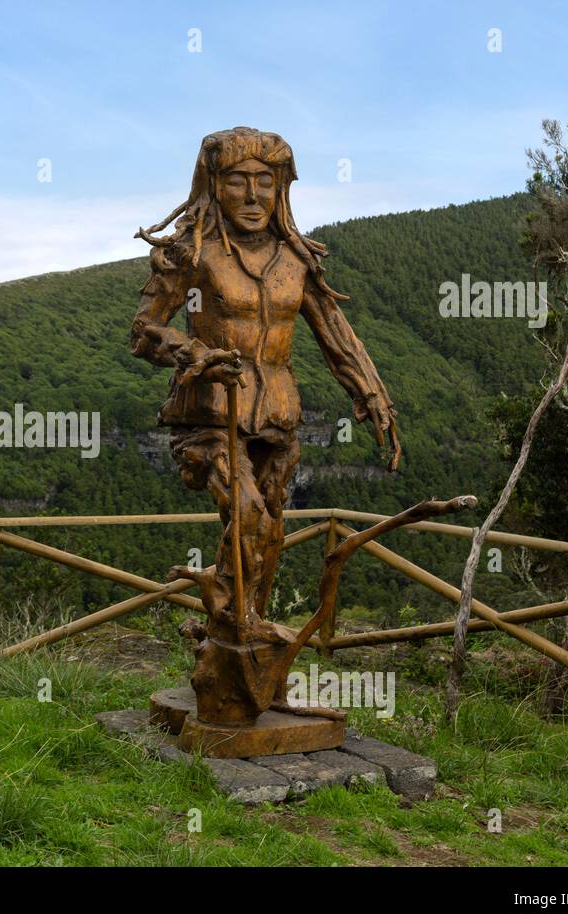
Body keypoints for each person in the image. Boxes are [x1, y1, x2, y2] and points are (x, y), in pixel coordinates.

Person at [130, 127, 400, 645]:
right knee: (247, 513)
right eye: (237, 181)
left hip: (277, 414)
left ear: (281, 189)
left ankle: (240, 633)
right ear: (213, 185)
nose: (253, 196)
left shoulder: (295, 260)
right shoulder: (192, 254)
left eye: (265, 182)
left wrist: (371, 393)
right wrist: (192, 352)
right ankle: (236, 631)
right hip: (209, 414)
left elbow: (335, 334)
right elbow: (143, 332)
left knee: (270, 526)